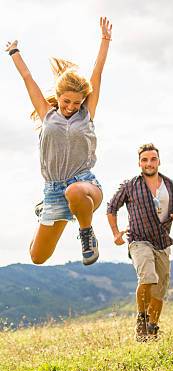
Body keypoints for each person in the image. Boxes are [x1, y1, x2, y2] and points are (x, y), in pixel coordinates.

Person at [5, 17, 112, 266]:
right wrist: (14, 52)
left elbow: (97, 73)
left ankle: (86, 234)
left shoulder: (86, 114)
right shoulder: (47, 113)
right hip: (53, 190)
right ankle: (45, 209)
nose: (71, 107)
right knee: (37, 257)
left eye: (76, 103)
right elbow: (28, 79)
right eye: (66, 101)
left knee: (73, 190)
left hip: (84, 186)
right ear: (59, 96)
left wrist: (105, 41)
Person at [107, 144, 173, 342]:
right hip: (138, 240)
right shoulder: (129, 185)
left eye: (153, 159)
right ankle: (141, 321)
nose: (149, 163)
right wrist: (116, 233)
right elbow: (111, 208)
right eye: (145, 160)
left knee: (159, 290)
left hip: (162, 242)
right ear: (139, 163)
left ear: (159, 161)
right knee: (148, 277)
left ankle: (152, 328)